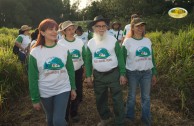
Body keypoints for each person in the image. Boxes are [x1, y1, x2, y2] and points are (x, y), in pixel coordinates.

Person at [28, 18, 76, 126]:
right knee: (50, 120)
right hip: (45, 91)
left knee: (58, 121)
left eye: (56, 29)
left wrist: (73, 87)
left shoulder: (64, 49)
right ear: (42, 32)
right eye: (51, 29)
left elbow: (70, 70)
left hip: (63, 89)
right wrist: (35, 98)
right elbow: (32, 77)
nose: (55, 32)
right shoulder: (35, 52)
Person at [85, 15, 127, 126]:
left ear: (107, 27)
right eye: (98, 26)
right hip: (98, 76)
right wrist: (88, 75)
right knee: (100, 99)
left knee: (117, 99)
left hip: (113, 74)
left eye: (104, 26)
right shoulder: (90, 43)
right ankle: (106, 117)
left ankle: (120, 121)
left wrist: (122, 73)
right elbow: (88, 61)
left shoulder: (113, 40)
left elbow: (120, 58)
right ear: (94, 28)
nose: (101, 28)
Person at [122, 18, 157, 126]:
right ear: (132, 28)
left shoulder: (147, 41)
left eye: (142, 26)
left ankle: (146, 119)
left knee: (146, 97)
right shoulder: (127, 42)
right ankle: (129, 117)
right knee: (131, 96)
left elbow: (152, 58)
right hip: (132, 73)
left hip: (147, 73)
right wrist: (123, 74)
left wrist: (154, 73)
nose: (140, 28)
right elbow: (122, 59)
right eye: (137, 26)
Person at [58, 20, 86, 123]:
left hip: (78, 71)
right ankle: (64, 115)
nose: (71, 31)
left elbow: (84, 55)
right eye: (68, 29)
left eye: (72, 29)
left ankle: (74, 112)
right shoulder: (60, 43)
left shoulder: (79, 42)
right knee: (66, 93)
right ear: (64, 31)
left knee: (77, 91)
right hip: (65, 73)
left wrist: (85, 70)